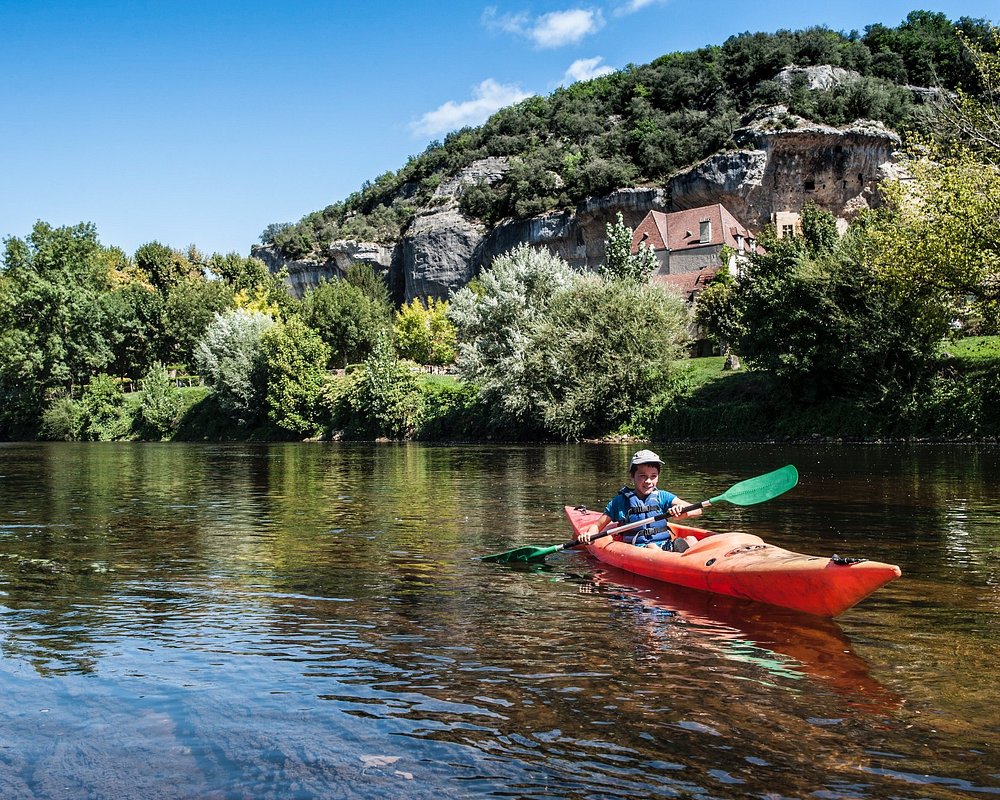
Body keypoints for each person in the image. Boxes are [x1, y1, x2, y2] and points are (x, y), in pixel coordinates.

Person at [577, 449, 701, 552]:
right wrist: (589, 535)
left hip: (665, 544)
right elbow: (597, 526)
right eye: (642, 476)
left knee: (691, 539)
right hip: (639, 548)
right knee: (651, 547)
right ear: (632, 476)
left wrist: (683, 512)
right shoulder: (620, 502)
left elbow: (698, 510)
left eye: (653, 476)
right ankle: (676, 559)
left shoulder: (662, 496)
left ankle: (682, 557)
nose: (648, 481)